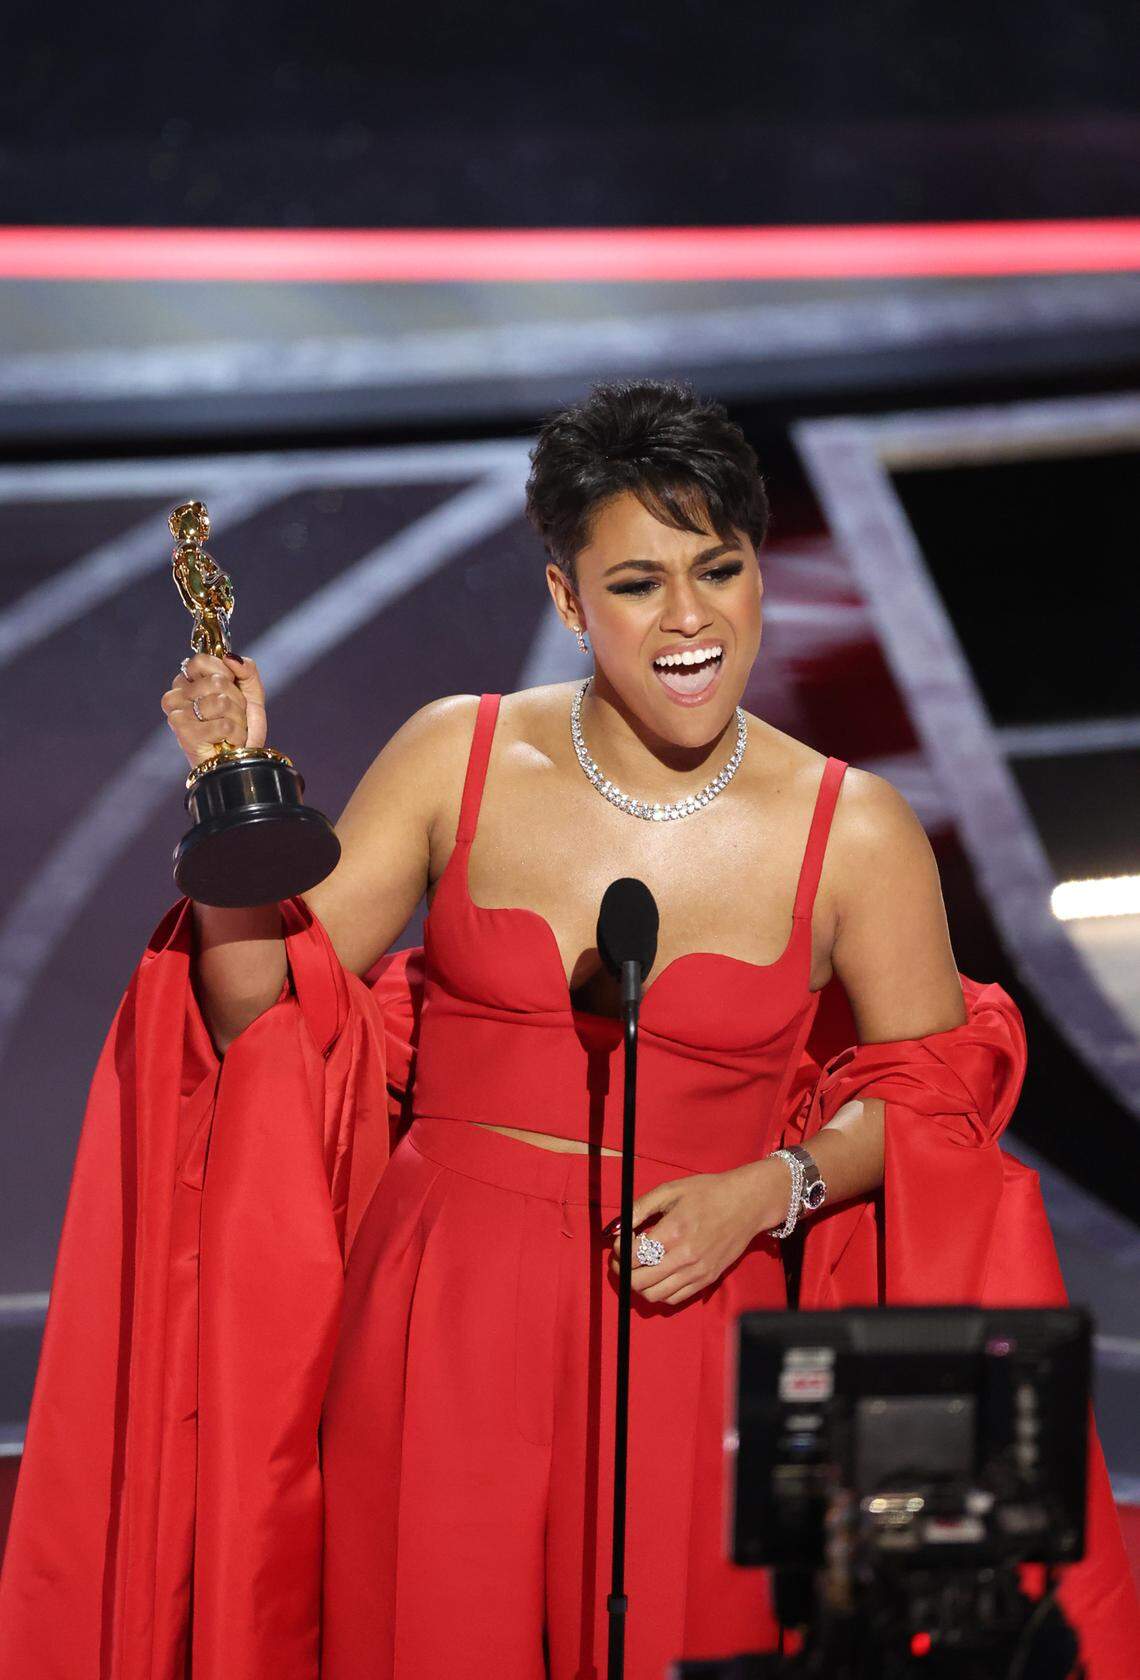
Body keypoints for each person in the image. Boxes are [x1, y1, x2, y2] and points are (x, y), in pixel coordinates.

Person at [1, 380, 1135, 1680]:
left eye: (721, 567)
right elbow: (265, 1011)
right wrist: (230, 789)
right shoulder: (458, 757)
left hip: (697, 1327)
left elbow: (935, 1096)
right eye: (640, 581)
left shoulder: (855, 828)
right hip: (440, 1321)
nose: (692, 617)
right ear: (566, 599)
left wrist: (771, 1188)